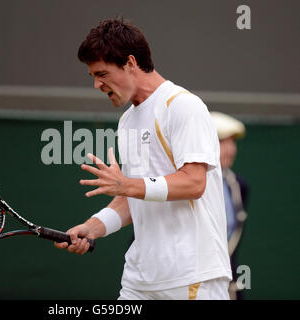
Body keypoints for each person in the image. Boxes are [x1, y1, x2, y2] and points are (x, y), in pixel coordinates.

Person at [54, 18, 232, 300]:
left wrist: (127, 185)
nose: (97, 84)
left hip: (191, 277)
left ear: (130, 63)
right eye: (92, 76)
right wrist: (93, 227)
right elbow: (134, 194)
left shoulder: (183, 106)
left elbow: (194, 183)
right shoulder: (127, 121)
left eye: (101, 73)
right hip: (139, 281)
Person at [211, 112, 249, 300]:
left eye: (232, 142)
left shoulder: (239, 186)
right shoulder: (180, 185)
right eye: (222, 142)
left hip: (228, 288)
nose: (231, 149)